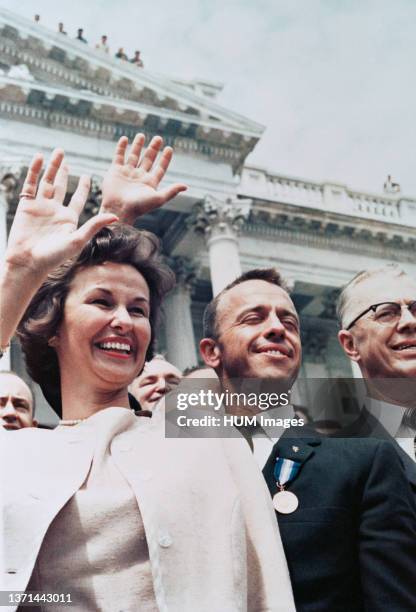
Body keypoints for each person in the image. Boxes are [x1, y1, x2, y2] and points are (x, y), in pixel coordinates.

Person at [0, 138, 294, 611]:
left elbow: (268, 592)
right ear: (52, 328)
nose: (124, 320)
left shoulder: (200, 433)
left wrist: (116, 224)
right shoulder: (14, 451)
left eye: (139, 310)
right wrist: (20, 273)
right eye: (101, 302)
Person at [199, 268, 416, 612]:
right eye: (253, 318)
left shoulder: (359, 459)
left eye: (290, 323)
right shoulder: (172, 456)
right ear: (211, 351)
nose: (276, 329)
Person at [337, 264, 416, 463]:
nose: (410, 321)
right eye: (387, 313)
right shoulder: (335, 458)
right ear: (351, 344)